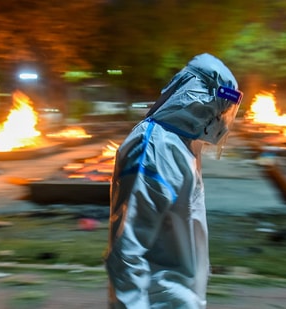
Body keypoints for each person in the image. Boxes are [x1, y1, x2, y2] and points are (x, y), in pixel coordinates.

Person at [105, 53, 243, 308]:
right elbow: (127, 252)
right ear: (200, 98)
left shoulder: (181, 145)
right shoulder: (156, 147)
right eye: (220, 107)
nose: (221, 119)